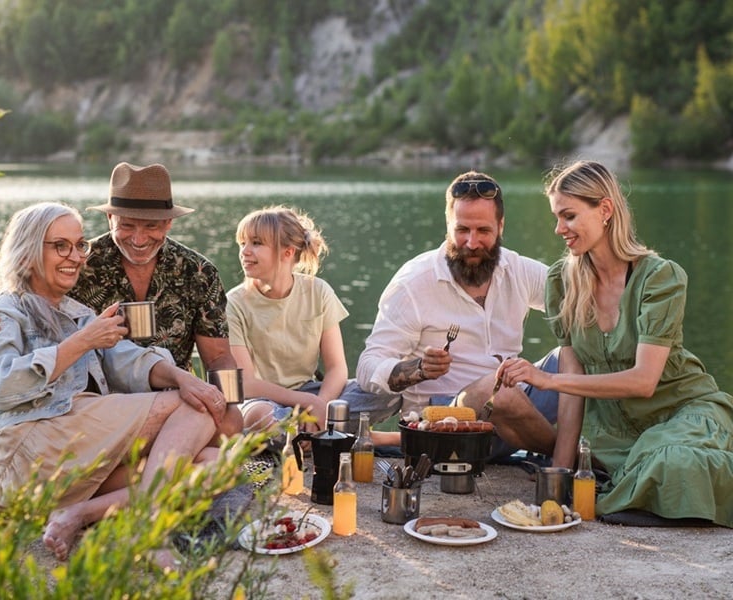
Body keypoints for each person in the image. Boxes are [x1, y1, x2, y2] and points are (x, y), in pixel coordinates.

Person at [0, 162, 242, 523]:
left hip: (141, 397)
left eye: (151, 226)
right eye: (127, 224)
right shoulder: (81, 261)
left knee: (218, 451)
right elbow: (18, 300)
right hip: (69, 406)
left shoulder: (196, 271)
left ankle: (80, 509)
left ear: (169, 223)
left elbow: (218, 356)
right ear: (110, 219)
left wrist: (227, 403)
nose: (139, 238)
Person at [497, 160, 733, 526]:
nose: (559, 228)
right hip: (615, 435)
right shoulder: (563, 281)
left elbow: (643, 381)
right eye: (557, 217)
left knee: (671, 460)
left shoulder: (659, 278)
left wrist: (547, 378)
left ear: (605, 210)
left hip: (683, 414)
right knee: (624, 467)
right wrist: (558, 475)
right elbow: (573, 391)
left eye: (569, 216)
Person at [356, 171, 567, 459]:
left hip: (513, 410)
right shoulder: (414, 283)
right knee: (500, 390)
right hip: (446, 425)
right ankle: (573, 458)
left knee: (571, 357)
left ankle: (585, 446)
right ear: (448, 225)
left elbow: (579, 301)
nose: (471, 242)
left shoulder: (517, 269)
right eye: (462, 230)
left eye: (483, 231)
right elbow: (367, 367)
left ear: (501, 226)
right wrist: (418, 369)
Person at [227, 205, 400, 437]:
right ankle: (343, 435)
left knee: (387, 391)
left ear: (287, 253)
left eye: (256, 243)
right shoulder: (234, 303)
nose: (244, 252)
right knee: (261, 417)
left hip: (313, 393)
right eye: (242, 243)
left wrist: (322, 405)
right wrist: (305, 402)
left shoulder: (318, 291)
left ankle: (305, 435)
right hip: (263, 401)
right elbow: (246, 384)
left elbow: (337, 368)